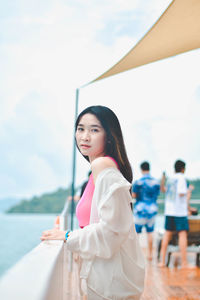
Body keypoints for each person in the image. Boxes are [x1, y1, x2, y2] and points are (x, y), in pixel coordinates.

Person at [41, 105, 145, 300]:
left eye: (94, 130)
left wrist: (67, 235)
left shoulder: (102, 165)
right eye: (80, 129)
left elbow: (113, 231)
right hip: (104, 275)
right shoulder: (98, 169)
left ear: (109, 136)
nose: (85, 136)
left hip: (111, 282)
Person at [158, 159, 193, 269]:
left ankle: (162, 262)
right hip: (179, 212)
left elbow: (163, 190)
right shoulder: (181, 178)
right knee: (182, 234)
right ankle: (184, 263)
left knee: (167, 234)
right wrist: (189, 191)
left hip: (169, 211)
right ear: (183, 169)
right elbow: (181, 194)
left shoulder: (170, 179)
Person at [132, 161, 160, 260]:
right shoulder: (156, 182)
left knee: (137, 233)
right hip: (152, 209)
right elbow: (157, 194)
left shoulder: (138, 182)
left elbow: (134, 195)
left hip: (140, 210)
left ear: (141, 169)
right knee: (150, 232)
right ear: (149, 168)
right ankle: (150, 255)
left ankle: (134, 254)